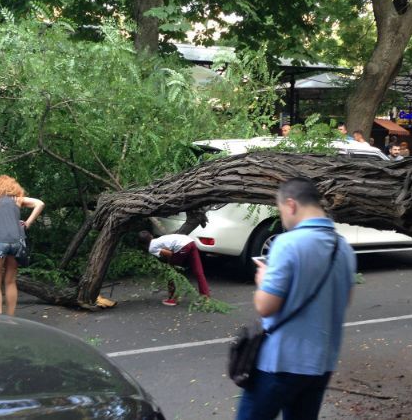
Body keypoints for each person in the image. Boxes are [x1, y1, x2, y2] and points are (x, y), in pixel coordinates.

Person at [236, 177, 356, 420]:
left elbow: (265, 306)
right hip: (321, 364)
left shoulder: (287, 244)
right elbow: (344, 300)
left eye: (281, 211)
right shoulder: (344, 248)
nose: (283, 219)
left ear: (291, 205)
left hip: (280, 363)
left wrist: (263, 280)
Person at [0, 175, 45, 316]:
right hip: (16, 242)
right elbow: (40, 203)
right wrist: (27, 223)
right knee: (10, 281)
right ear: (13, 186)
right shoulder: (17, 199)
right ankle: (11, 318)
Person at [138, 231, 210, 306]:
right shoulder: (159, 239)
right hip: (190, 241)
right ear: (151, 236)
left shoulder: (151, 248)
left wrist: (170, 263)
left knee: (171, 274)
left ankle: (173, 299)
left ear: (142, 243)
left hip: (182, 246)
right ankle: (205, 298)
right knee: (199, 272)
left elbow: (169, 254)